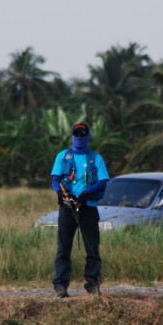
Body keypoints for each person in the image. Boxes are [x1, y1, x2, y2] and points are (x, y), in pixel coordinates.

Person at [50, 123, 109, 298]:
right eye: (76, 134)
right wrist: (60, 192)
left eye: (82, 134)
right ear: (72, 135)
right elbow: (55, 179)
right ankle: (60, 286)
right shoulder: (63, 156)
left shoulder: (96, 157)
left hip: (88, 208)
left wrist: (86, 193)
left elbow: (103, 181)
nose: (79, 137)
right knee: (63, 249)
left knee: (92, 249)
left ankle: (92, 285)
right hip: (67, 208)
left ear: (88, 136)